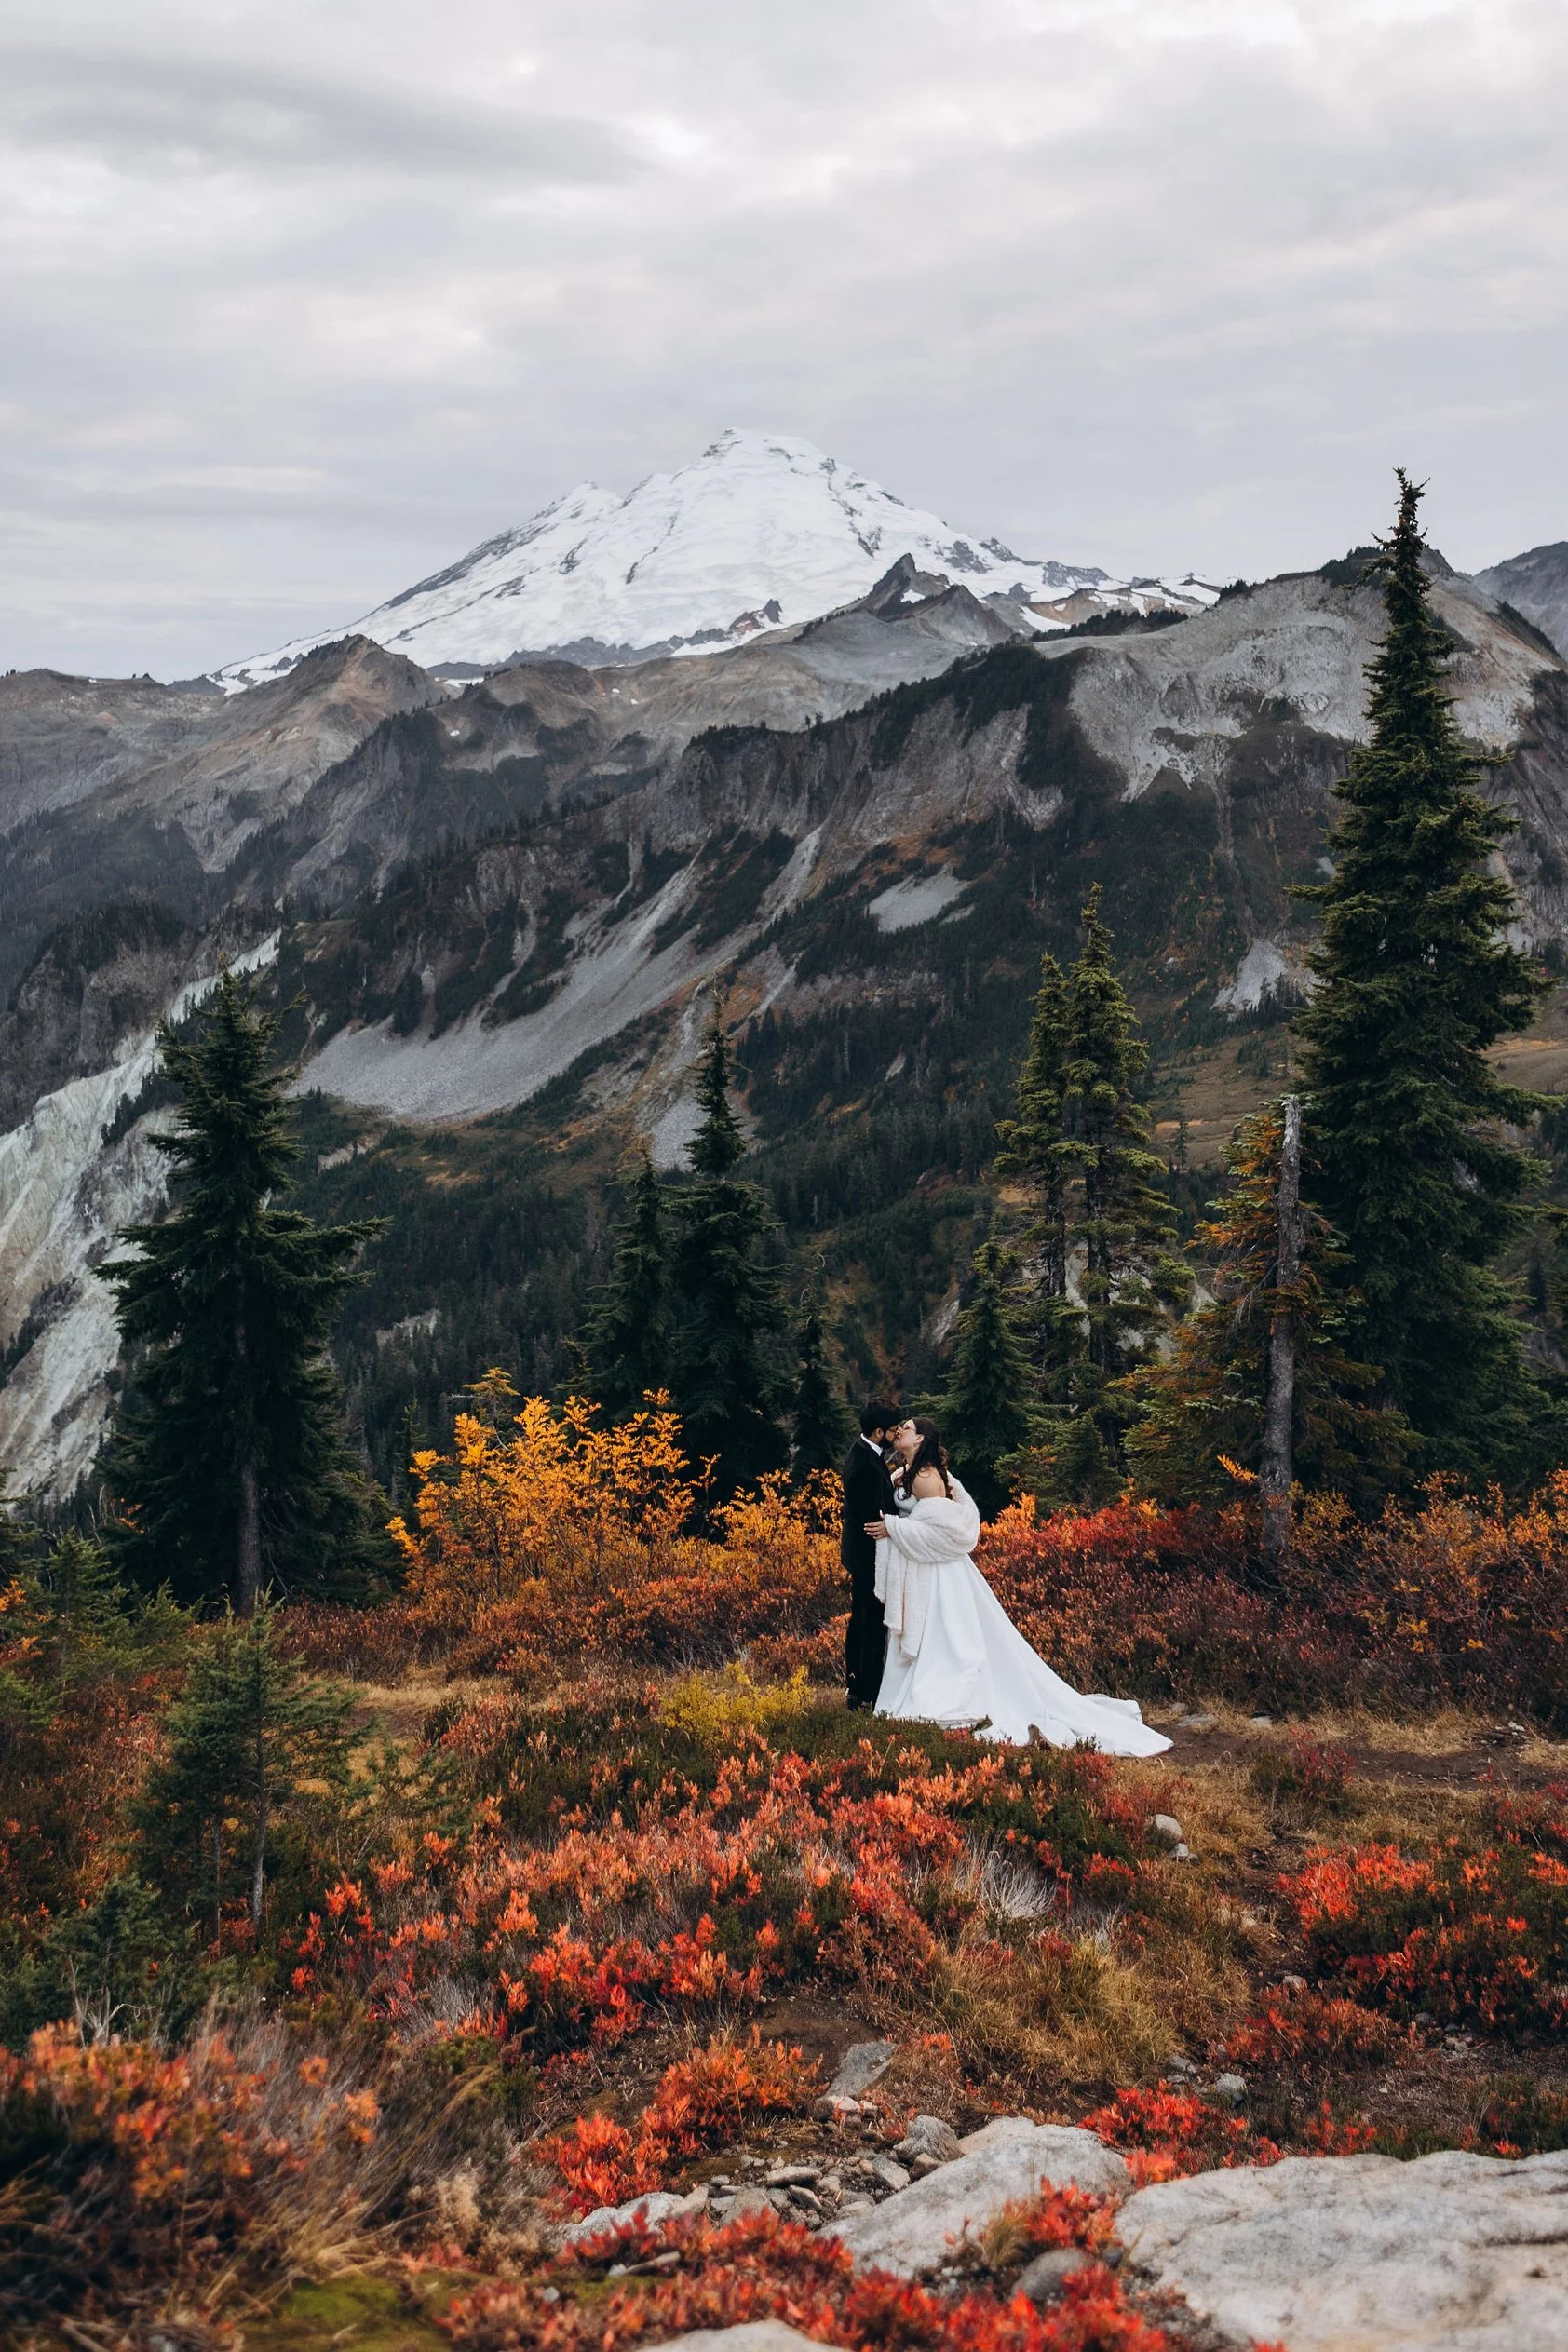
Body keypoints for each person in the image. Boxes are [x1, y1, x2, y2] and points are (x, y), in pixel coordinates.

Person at [865, 1415, 1170, 1755]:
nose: (901, 1430)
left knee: (947, 1641)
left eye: (908, 1428)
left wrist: (894, 1528)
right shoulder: (909, 1474)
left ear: (920, 1441)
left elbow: (944, 1532)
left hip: (939, 1576)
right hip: (933, 1569)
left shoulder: (925, 1479)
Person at [841, 1398, 899, 1711]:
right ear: (879, 1432)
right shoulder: (865, 1464)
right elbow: (872, 1514)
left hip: (860, 1553)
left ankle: (857, 1686)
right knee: (870, 1621)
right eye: (892, 1430)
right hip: (868, 1556)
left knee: (862, 1618)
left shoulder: (863, 1453)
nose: (896, 1435)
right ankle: (868, 1691)